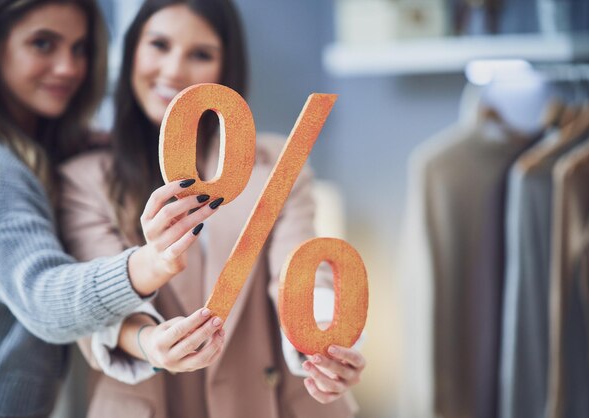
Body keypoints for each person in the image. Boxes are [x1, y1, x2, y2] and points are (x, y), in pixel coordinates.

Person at [58, 0, 365, 417]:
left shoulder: (276, 163)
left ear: (226, 69)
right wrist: (150, 344)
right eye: (159, 45)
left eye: (200, 54)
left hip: (267, 400)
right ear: (131, 52)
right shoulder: (83, 178)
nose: (173, 70)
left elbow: (299, 266)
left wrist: (324, 343)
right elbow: (97, 298)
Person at [0, 1, 222, 417]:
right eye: (43, 43)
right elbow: (43, 297)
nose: (68, 67)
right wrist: (151, 262)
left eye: (80, 48)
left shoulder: (58, 153)